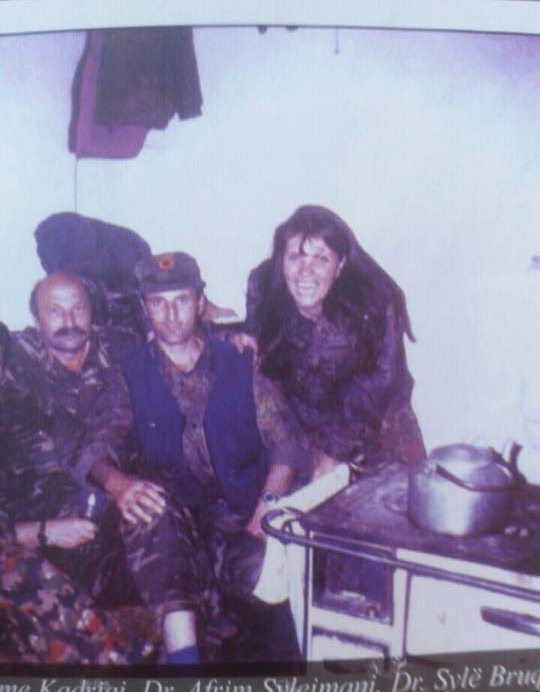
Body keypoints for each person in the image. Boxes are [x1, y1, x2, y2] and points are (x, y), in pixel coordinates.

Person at [90, 251, 302, 663]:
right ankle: (185, 667)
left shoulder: (239, 360)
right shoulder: (129, 373)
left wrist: (268, 504)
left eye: (182, 300)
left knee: (266, 582)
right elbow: (97, 446)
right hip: (174, 522)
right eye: (158, 303)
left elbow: (287, 444)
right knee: (151, 510)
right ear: (144, 309)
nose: (171, 315)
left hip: (240, 515)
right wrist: (117, 483)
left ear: (200, 303)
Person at [0, 318, 156, 664]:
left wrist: (113, 484)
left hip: (61, 530)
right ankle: (119, 659)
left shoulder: (19, 407)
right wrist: (43, 532)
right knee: (22, 571)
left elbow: (79, 449)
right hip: (26, 547)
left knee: (144, 513)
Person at [242, 205, 425, 479]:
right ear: (281, 262)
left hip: (383, 433)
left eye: (321, 259)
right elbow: (256, 338)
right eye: (295, 257)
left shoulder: (374, 306)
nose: (305, 271)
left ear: (340, 266)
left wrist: (334, 454)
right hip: (310, 435)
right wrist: (244, 336)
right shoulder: (264, 288)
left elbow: (375, 391)